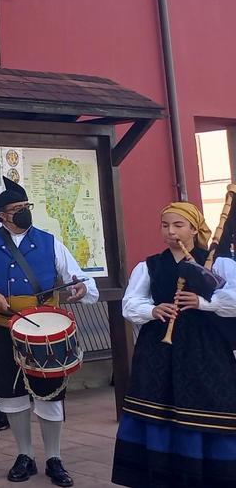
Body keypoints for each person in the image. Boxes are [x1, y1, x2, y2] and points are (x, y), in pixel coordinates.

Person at [0, 177, 98, 486]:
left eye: (26, 207)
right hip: (3, 326)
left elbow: (81, 278)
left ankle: (54, 458)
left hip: (45, 327)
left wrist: (81, 287)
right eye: (16, 209)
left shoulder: (50, 241)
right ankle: (24, 455)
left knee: (50, 397)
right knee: (11, 396)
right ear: (1, 215)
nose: (23, 212)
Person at [112, 202, 236, 487]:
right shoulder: (150, 265)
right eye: (165, 225)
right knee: (159, 408)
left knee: (208, 406)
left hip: (205, 349)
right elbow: (131, 303)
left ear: (194, 228)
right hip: (159, 349)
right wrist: (153, 310)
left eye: (178, 225)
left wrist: (205, 302)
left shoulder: (217, 262)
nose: (170, 231)